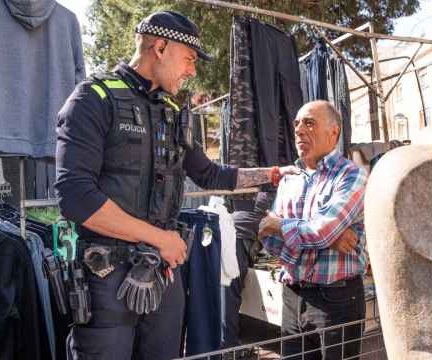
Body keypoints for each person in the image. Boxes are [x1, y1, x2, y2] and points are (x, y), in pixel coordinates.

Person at [55, 11, 295, 360]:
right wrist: (160, 238)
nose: (193, 71)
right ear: (161, 46)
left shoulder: (171, 113)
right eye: (190, 59)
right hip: (105, 279)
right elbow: (76, 198)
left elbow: (211, 175)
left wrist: (270, 174)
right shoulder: (92, 99)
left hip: (162, 275)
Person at [258, 100, 369, 360]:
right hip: (292, 295)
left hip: (336, 300)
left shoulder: (351, 176)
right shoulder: (290, 178)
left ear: (334, 132)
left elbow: (317, 231)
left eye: (309, 122)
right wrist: (325, 238)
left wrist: (281, 225)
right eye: (296, 123)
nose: (298, 129)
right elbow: (267, 240)